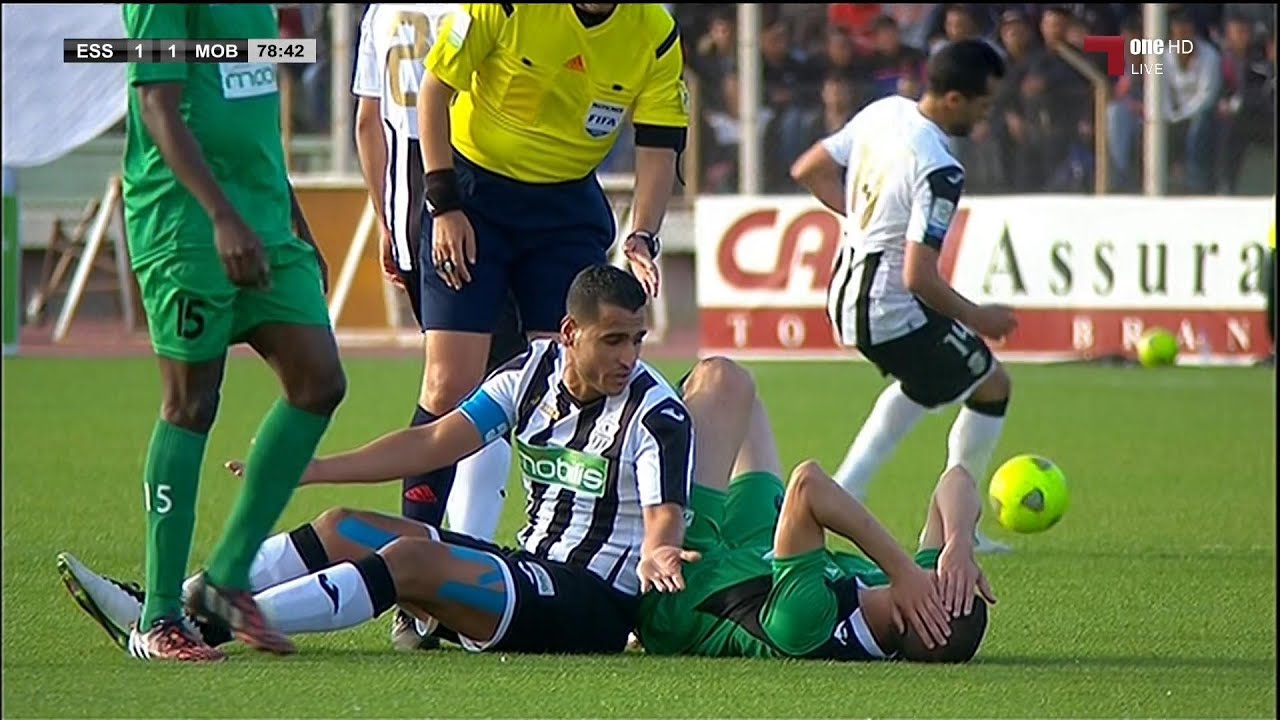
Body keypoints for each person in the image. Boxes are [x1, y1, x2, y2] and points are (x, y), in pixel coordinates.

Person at [58, 265, 696, 657]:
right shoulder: (530, 374)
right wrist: (310, 467)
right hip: (526, 568)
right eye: (613, 339)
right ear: (569, 334)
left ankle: (200, 625)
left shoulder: (656, 413)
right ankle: (167, 607)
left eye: (636, 339)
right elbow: (430, 443)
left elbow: (663, 517)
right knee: (343, 526)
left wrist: (660, 551)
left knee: (411, 560)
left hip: (592, 605)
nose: (628, 356)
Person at [401, 3, 688, 573]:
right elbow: (433, 91)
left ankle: (574, 556)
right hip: (472, 195)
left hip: (564, 210)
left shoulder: (654, 32)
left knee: (570, 379)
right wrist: (444, 202)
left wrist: (642, 237)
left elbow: (659, 145)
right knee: (450, 379)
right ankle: (415, 561)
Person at [117, 3, 348, 662]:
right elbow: (159, 104)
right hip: (187, 223)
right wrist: (221, 216)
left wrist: (292, 219)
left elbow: (251, 119)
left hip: (266, 217)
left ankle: (224, 580)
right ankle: (159, 618)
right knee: (192, 402)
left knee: (319, 382)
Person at [790, 39, 1016, 555]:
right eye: (984, 103)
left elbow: (808, 169)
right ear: (955, 99)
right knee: (991, 386)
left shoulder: (885, 112)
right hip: (891, 309)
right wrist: (979, 316)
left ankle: (850, 484)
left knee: (924, 384)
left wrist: (863, 222)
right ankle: (954, 529)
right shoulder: (939, 168)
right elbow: (919, 277)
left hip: (845, 296)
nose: (987, 115)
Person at [350, 2, 529, 650]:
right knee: (505, 388)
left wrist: (385, 221)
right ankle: (455, 578)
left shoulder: (382, 12)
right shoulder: (482, 9)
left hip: (409, 218)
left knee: (457, 387)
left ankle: (427, 588)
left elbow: (369, 122)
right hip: (473, 209)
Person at [636, 362, 995, 662]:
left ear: (907, 617)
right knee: (747, 401)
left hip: (685, 577)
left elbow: (807, 484)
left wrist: (901, 569)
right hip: (757, 548)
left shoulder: (810, 623)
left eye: (937, 584)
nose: (933, 573)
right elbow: (957, 480)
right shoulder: (896, 591)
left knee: (723, 380)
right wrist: (959, 544)